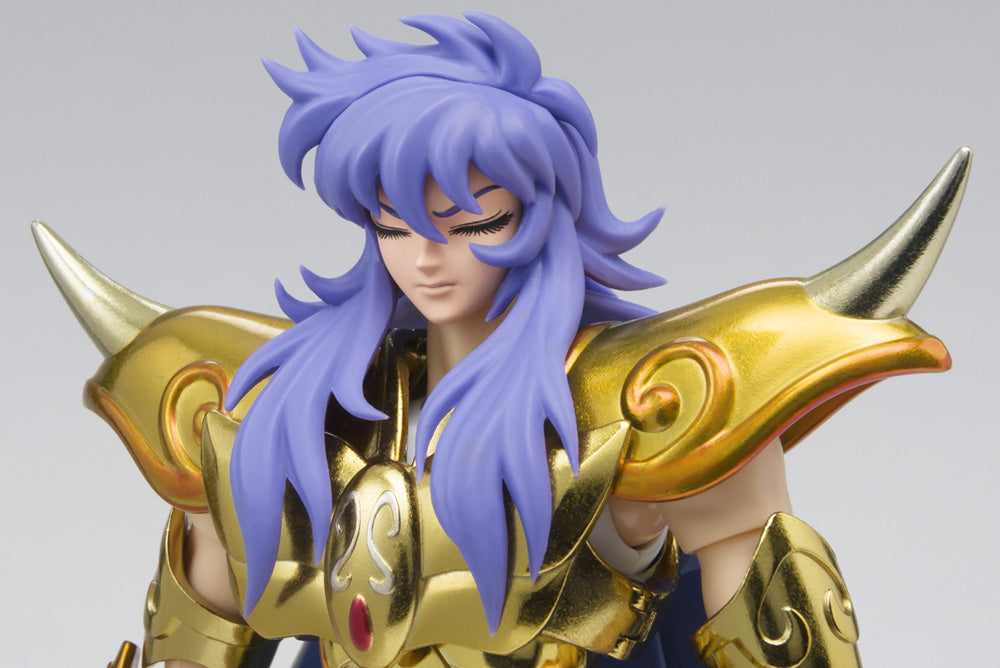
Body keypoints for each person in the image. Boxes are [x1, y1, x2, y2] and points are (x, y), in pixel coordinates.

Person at [34, 12, 969, 668]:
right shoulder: (292, 411)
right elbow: (201, 642)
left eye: (473, 223)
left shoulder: (635, 410)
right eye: (392, 225)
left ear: (541, 216)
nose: (423, 258)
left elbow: (768, 635)